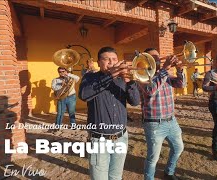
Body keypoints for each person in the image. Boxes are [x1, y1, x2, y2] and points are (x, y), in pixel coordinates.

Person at [79, 46, 140, 180]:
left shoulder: (123, 79)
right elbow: (84, 95)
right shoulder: (90, 77)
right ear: (98, 62)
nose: (111, 62)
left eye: (114, 59)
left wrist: (129, 81)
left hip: (121, 138)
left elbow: (135, 101)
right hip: (99, 140)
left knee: (116, 177)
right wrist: (110, 76)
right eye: (107, 59)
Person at [139, 48, 185, 180]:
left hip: (171, 120)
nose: (158, 59)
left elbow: (181, 84)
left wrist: (180, 69)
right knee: (153, 158)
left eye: (158, 56)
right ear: (146, 60)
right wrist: (165, 68)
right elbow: (151, 90)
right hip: (154, 124)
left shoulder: (165, 75)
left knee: (178, 147)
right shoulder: (142, 76)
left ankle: (169, 172)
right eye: (154, 57)